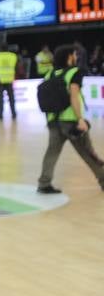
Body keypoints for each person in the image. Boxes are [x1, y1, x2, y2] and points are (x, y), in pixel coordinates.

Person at [36, 45, 104, 194]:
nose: (76, 56)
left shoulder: (49, 74)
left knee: (52, 152)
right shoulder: (75, 72)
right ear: (69, 57)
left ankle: (44, 183)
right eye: (74, 54)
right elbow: (74, 96)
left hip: (53, 121)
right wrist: (80, 119)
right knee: (88, 153)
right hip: (71, 121)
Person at [0, 44, 18, 120]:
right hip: (9, 79)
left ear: (0, 49)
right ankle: (14, 114)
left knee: (0, 99)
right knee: (11, 98)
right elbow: (16, 67)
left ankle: (0, 115)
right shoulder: (13, 56)